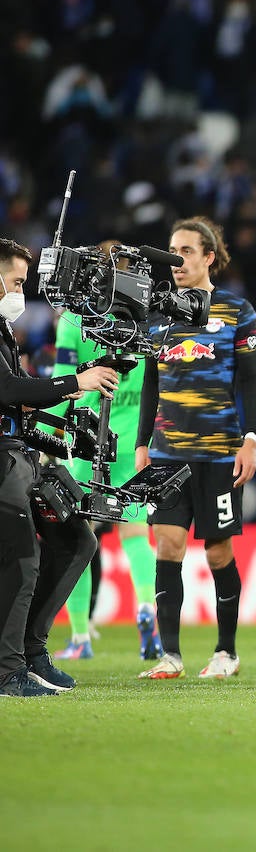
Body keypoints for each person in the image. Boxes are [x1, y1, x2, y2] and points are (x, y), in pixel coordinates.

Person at [135, 217, 256, 680]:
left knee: (217, 553)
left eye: (187, 251)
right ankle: (170, 655)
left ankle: (226, 651)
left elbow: (252, 380)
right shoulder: (157, 314)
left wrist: (250, 438)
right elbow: (152, 381)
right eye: (172, 251)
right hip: (167, 452)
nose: (177, 261)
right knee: (166, 544)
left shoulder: (236, 311)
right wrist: (142, 442)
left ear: (209, 257)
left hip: (218, 453)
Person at [0, 237, 114, 696]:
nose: (19, 293)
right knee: (23, 561)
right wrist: (75, 381)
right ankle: (8, 672)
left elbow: (20, 394)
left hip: (18, 456)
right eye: (15, 281)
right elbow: (8, 391)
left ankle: (31, 650)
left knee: (75, 541)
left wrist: (61, 429)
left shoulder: (3, 332)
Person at [50, 243, 160, 662]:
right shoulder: (143, 316)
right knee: (135, 534)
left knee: (79, 533)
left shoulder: (76, 319)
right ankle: (147, 608)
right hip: (134, 442)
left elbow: (62, 378)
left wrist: (50, 440)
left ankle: (80, 636)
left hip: (86, 438)